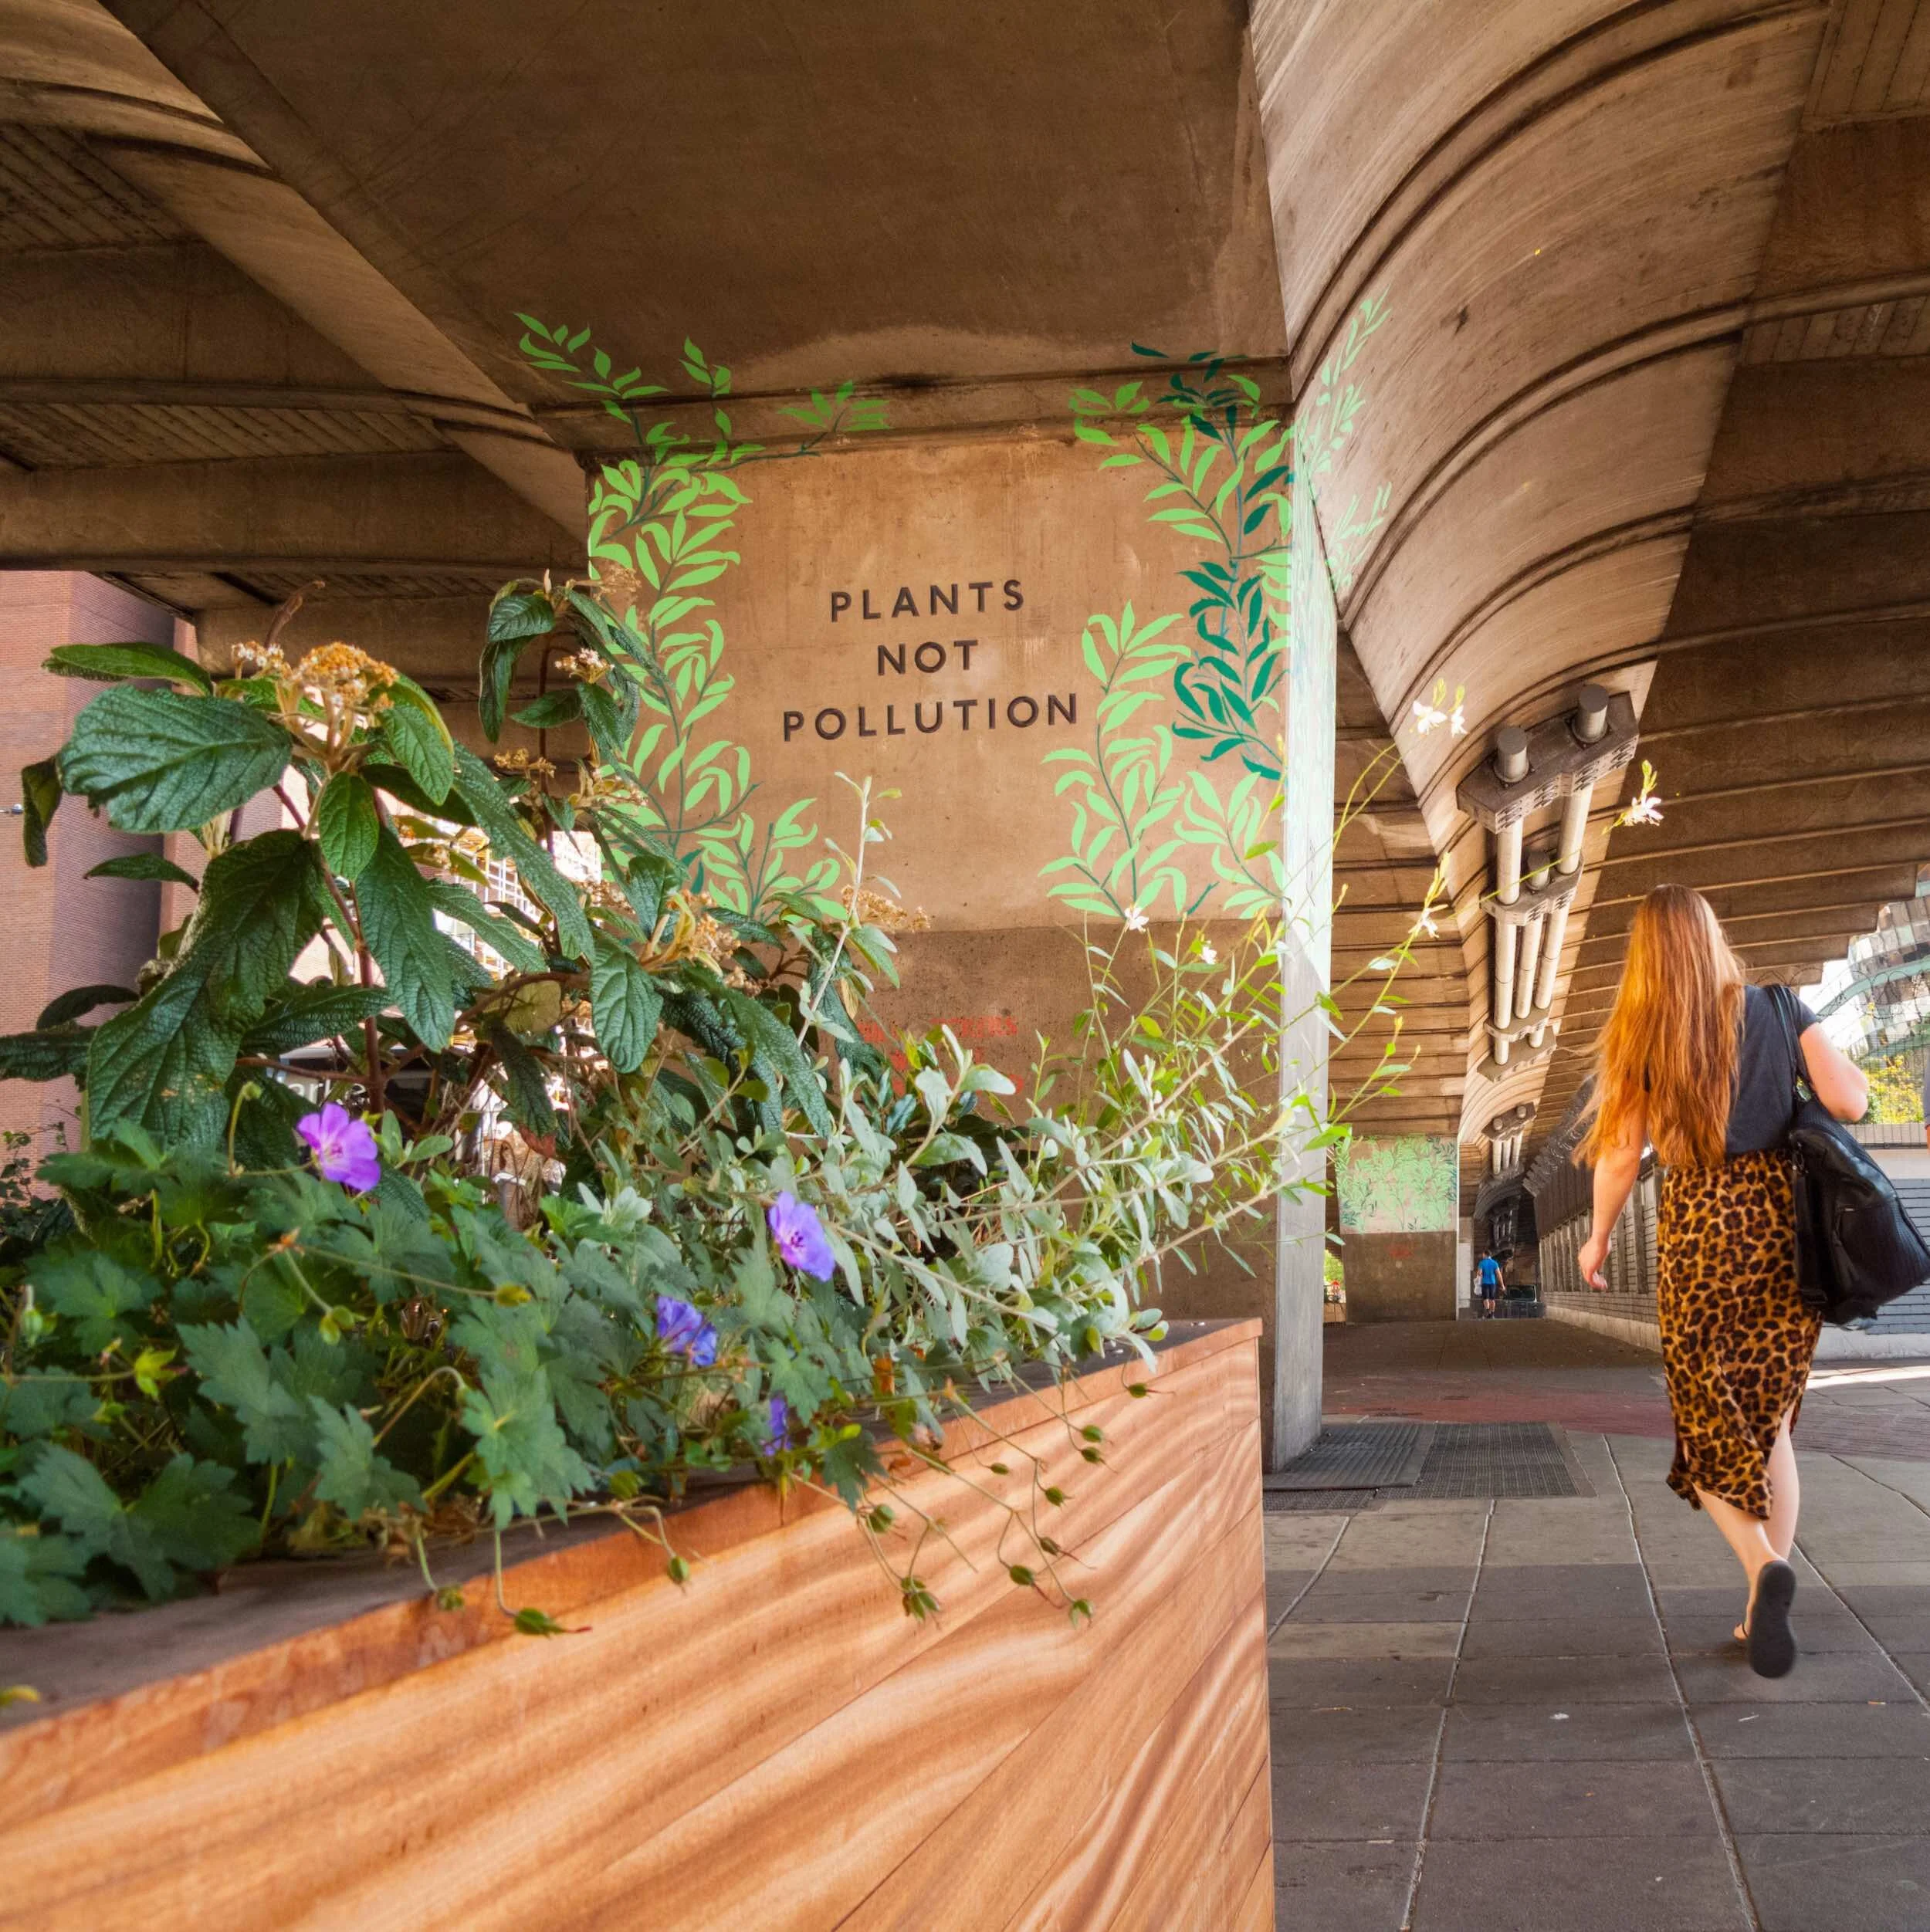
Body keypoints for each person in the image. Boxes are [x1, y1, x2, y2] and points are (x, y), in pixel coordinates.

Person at [1576, 885, 1867, 1679]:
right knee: (1766, 1420)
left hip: (1700, 1232)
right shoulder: (1777, 1006)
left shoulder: (1643, 1038)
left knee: (1707, 1423)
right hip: (1782, 1232)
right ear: (1711, 938)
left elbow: (1617, 1156)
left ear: (1644, 959)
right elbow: (1850, 1097)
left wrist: (1598, 1238)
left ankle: (1759, 1566)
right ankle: (1757, 1606)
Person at [1477, 1250, 1504, 1317]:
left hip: (1485, 1283)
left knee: (1486, 1299)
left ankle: (1488, 1311)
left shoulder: (1482, 1263)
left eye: (1483, 1254)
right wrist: (1502, 1285)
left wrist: (1481, 1275)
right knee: (1492, 1299)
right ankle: (1492, 1313)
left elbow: (1479, 1273)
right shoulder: (1495, 1263)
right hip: (1492, 1283)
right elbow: (1499, 1275)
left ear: (1485, 1255)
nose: (1483, 1256)